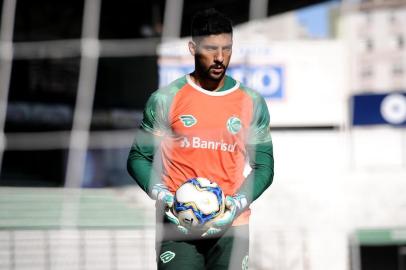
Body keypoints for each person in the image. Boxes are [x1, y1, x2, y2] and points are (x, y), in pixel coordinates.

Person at [127, 8, 274, 270]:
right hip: (177, 225)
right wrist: (163, 196)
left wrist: (236, 205)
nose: (220, 58)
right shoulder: (165, 99)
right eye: (211, 49)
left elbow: (264, 167)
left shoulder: (251, 102)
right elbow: (138, 157)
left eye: (227, 49)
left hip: (232, 226)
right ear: (192, 48)